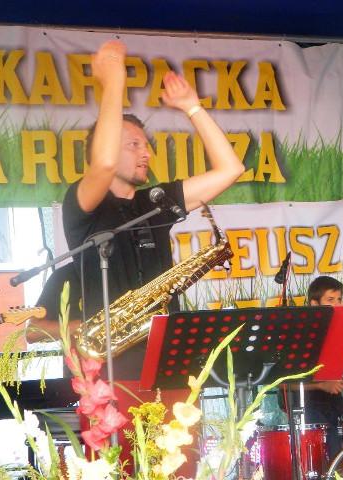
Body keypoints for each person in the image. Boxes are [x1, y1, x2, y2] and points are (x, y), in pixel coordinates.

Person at [60, 40, 244, 475]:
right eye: (134, 144)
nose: (146, 152)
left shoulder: (155, 201)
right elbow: (104, 165)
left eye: (147, 145)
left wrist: (192, 107)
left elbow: (230, 169)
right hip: (113, 376)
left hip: (171, 368)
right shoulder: (83, 203)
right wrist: (113, 82)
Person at [283, 276, 343, 461]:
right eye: (330, 300)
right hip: (307, 407)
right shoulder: (299, 338)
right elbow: (283, 385)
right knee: (330, 437)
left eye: (339, 299)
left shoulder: (341, 336)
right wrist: (322, 385)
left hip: (336, 406)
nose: (337, 305)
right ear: (314, 304)